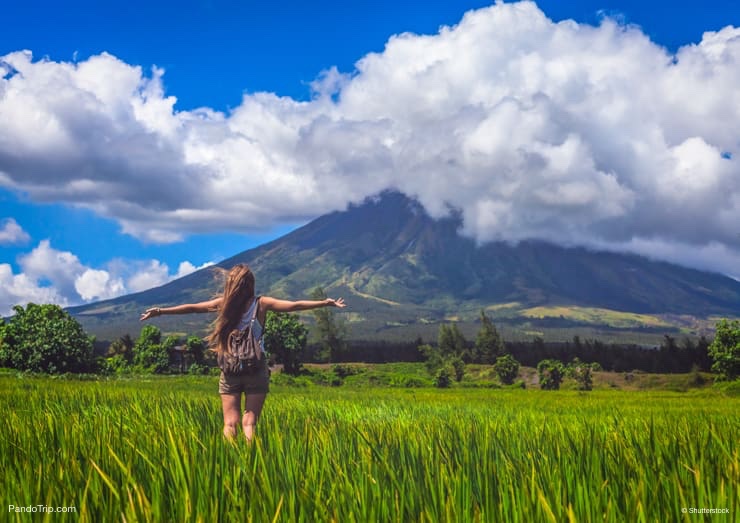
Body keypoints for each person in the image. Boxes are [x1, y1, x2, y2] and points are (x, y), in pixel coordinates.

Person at [140, 263, 346, 441]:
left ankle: (230, 461)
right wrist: (324, 303)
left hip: (229, 369)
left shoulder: (222, 304)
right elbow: (293, 305)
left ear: (230, 284)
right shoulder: (261, 303)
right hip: (256, 368)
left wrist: (161, 311)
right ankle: (249, 460)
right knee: (250, 421)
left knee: (230, 423)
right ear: (251, 284)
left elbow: (192, 307)